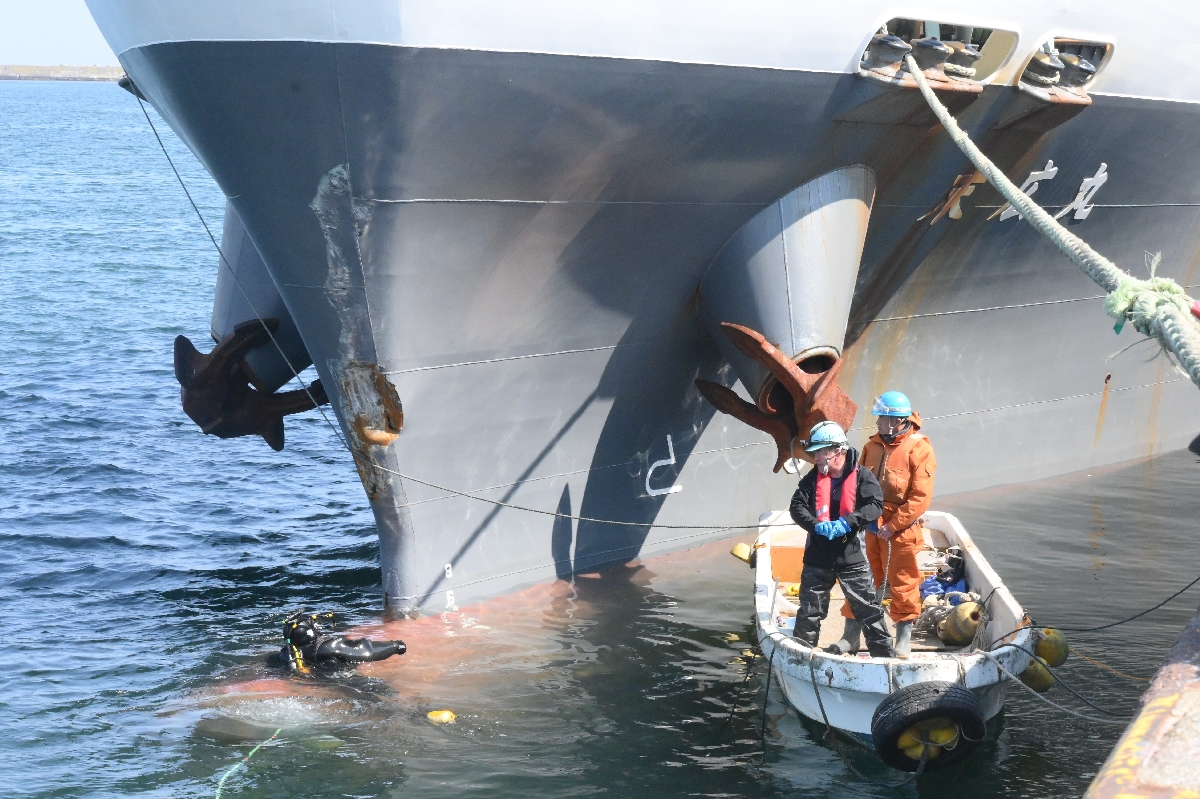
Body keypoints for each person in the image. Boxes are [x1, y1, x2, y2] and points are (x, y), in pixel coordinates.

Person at [838, 390, 936, 658]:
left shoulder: (919, 449)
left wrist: (893, 525)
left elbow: (920, 497)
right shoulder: (871, 446)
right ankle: (850, 636)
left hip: (901, 530)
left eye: (881, 417)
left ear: (896, 421)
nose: (877, 422)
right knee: (860, 580)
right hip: (870, 526)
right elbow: (856, 484)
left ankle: (902, 638)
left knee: (903, 582)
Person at [789, 421, 894, 658]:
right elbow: (796, 506)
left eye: (819, 452)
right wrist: (815, 526)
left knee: (870, 612)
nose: (815, 457)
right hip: (818, 559)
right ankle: (800, 658)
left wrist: (848, 522)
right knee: (808, 613)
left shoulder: (862, 476)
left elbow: (875, 505)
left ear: (837, 451)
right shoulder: (812, 479)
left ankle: (885, 662)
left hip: (852, 558)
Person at [279, 611, 407, 672]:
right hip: (344, 681)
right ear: (309, 633)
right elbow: (368, 651)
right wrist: (397, 645)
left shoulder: (287, 654)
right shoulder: (330, 647)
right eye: (314, 627)